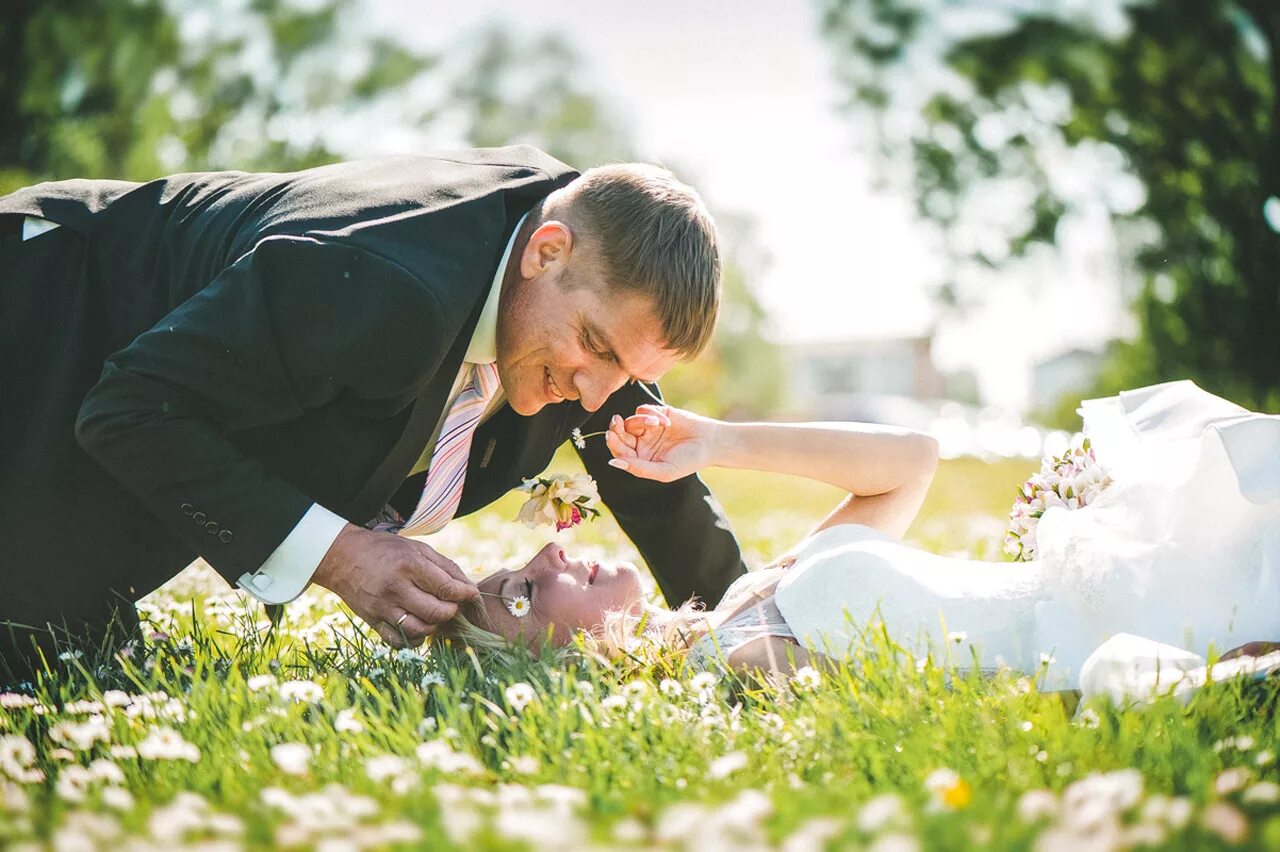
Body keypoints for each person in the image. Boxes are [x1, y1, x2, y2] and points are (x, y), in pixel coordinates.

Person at [0, 146, 746, 681]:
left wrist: (742, 633)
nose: (595, 396)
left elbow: (653, 478)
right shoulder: (391, 284)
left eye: (627, 375)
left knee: (80, 644)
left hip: (124, 398)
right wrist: (340, 553)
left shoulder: (585, 309)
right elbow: (131, 409)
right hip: (41, 319)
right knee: (31, 649)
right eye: (595, 351)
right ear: (545, 253)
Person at [441, 380, 1280, 694]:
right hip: (1142, 623)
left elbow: (911, 463)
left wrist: (718, 441)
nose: (546, 554)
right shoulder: (744, 658)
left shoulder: (745, 600)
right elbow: (975, 694)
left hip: (1126, 567)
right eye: (521, 592)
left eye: (521, 561)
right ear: (557, 669)